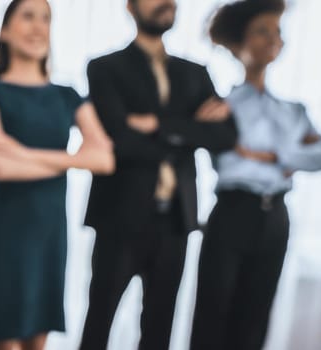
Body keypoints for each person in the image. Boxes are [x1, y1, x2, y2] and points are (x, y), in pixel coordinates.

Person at [80, 0, 240, 348]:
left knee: (159, 330)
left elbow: (225, 136)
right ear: (131, 6)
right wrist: (189, 130)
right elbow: (118, 140)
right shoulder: (105, 68)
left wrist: (155, 125)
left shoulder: (195, 73)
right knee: (98, 325)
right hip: (119, 218)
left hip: (175, 222)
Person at [0, 1, 116, 349]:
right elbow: (3, 167)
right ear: (5, 30)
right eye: (28, 17)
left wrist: (22, 152)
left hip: (50, 230)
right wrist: (69, 158)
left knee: (39, 335)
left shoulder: (67, 96)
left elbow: (103, 158)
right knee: (4, 335)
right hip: (7, 231)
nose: (38, 27)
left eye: (46, 18)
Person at [191, 1, 321, 348]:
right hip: (232, 212)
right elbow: (223, 154)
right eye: (262, 31)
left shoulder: (292, 110)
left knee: (255, 315)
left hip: (275, 218)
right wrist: (291, 155)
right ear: (239, 41)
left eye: (277, 33)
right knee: (214, 312)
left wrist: (272, 154)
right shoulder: (222, 106)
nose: (273, 39)